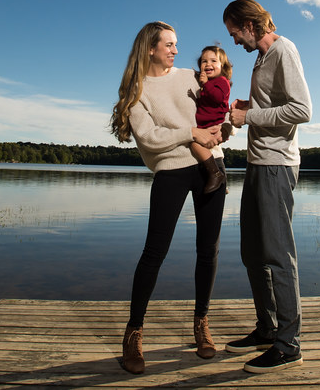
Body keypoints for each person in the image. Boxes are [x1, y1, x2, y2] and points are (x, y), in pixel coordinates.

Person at [110, 21, 228, 375]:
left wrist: (221, 131)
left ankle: (201, 323)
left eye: (177, 44)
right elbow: (150, 138)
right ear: (150, 48)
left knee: (208, 250)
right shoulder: (137, 91)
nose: (176, 50)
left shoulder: (193, 77)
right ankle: (133, 333)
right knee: (154, 252)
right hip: (170, 172)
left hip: (212, 168)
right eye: (170, 44)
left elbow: (217, 112)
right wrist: (190, 132)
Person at [221, 0, 312, 374]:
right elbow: (271, 105)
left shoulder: (283, 50)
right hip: (258, 163)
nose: (234, 41)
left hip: (277, 165)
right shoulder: (260, 59)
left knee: (278, 255)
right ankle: (267, 328)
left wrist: (250, 114)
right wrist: (250, 104)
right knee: (252, 252)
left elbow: (302, 109)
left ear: (249, 24)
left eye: (234, 32)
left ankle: (289, 345)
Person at [189, 46, 231, 194]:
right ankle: (222, 181)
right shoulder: (207, 85)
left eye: (214, 61)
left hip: (213, 126)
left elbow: (218, 98)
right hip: (204, 126)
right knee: (207, 151)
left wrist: (205, 84)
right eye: (204, 61)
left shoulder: (222, 81)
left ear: (222, 66)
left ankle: (216, 174)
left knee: (194, 144)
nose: (208, 64)